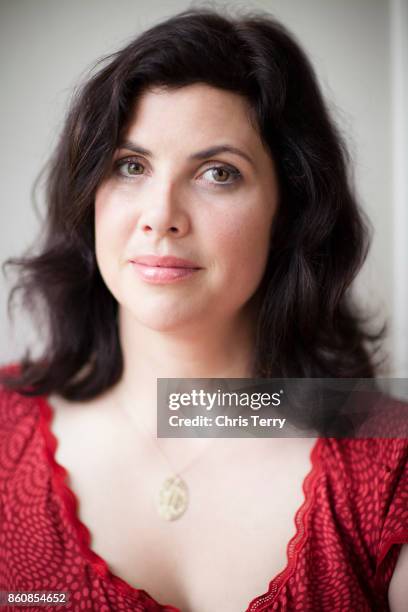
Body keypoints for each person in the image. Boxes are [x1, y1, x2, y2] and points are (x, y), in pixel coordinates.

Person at [0, 7, 407, 611]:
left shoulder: (389, 465)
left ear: (289, 212)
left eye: (218, 173)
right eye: (130, 166)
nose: (160, 213)